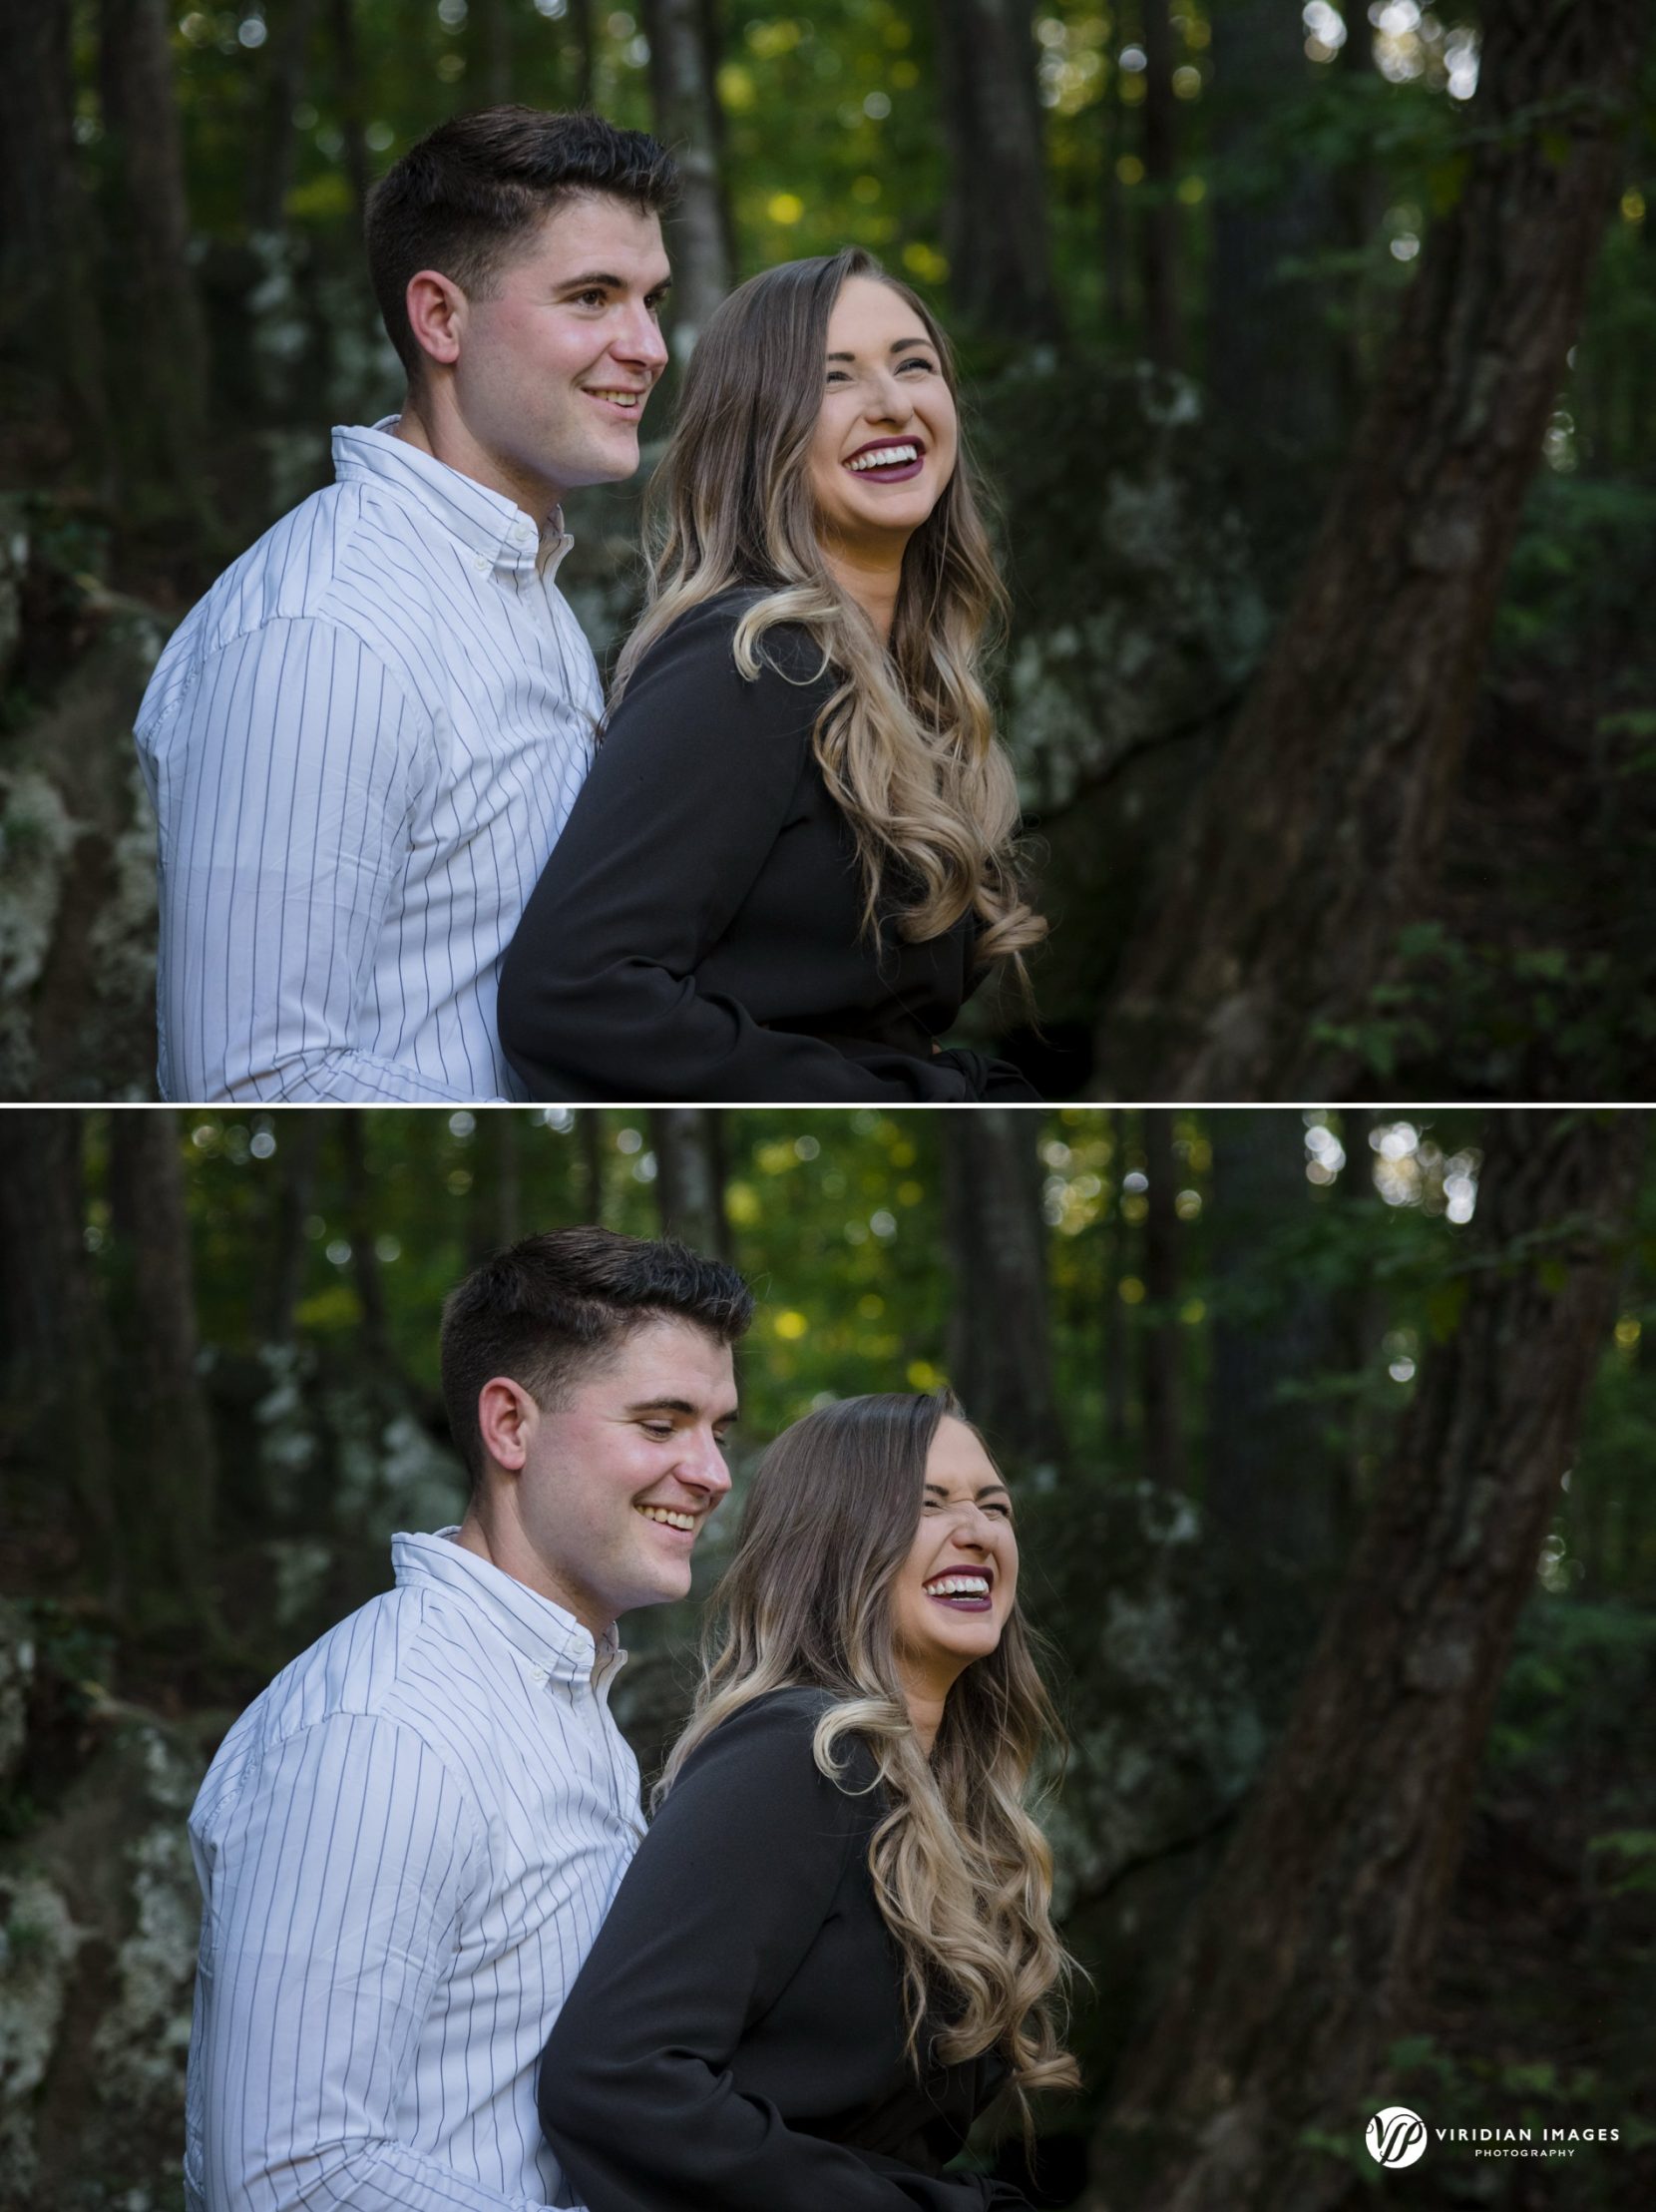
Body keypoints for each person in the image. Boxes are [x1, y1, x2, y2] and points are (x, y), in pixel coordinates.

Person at [183, 1227, 751, 2212]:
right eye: (662, 1425)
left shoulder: (556, 1699)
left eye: (718, 1431)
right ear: (510, 1427)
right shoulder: (389, 1726)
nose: (711, 1473)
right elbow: (286, 2174)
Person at [135, 109, 675, 1103]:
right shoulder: (326, 629)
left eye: (650, 300)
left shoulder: (519, 587)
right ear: (440, 320)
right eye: (593, 297)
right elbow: (252, 1077)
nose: (648, 347)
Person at [497, 248, 1045, 1103]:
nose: (892, 404)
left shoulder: (911, 683)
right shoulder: (750, 661)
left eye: (914, 366)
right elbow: (573, 998)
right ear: (761, 431)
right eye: (834, 380)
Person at [538, 1391, 1078, 2210]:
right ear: (834, 1543)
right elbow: (617, 2077)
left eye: (992, 1506)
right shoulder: (795, 1755)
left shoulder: (949, 1805)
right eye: (926, 1505)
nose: (977, 1530)